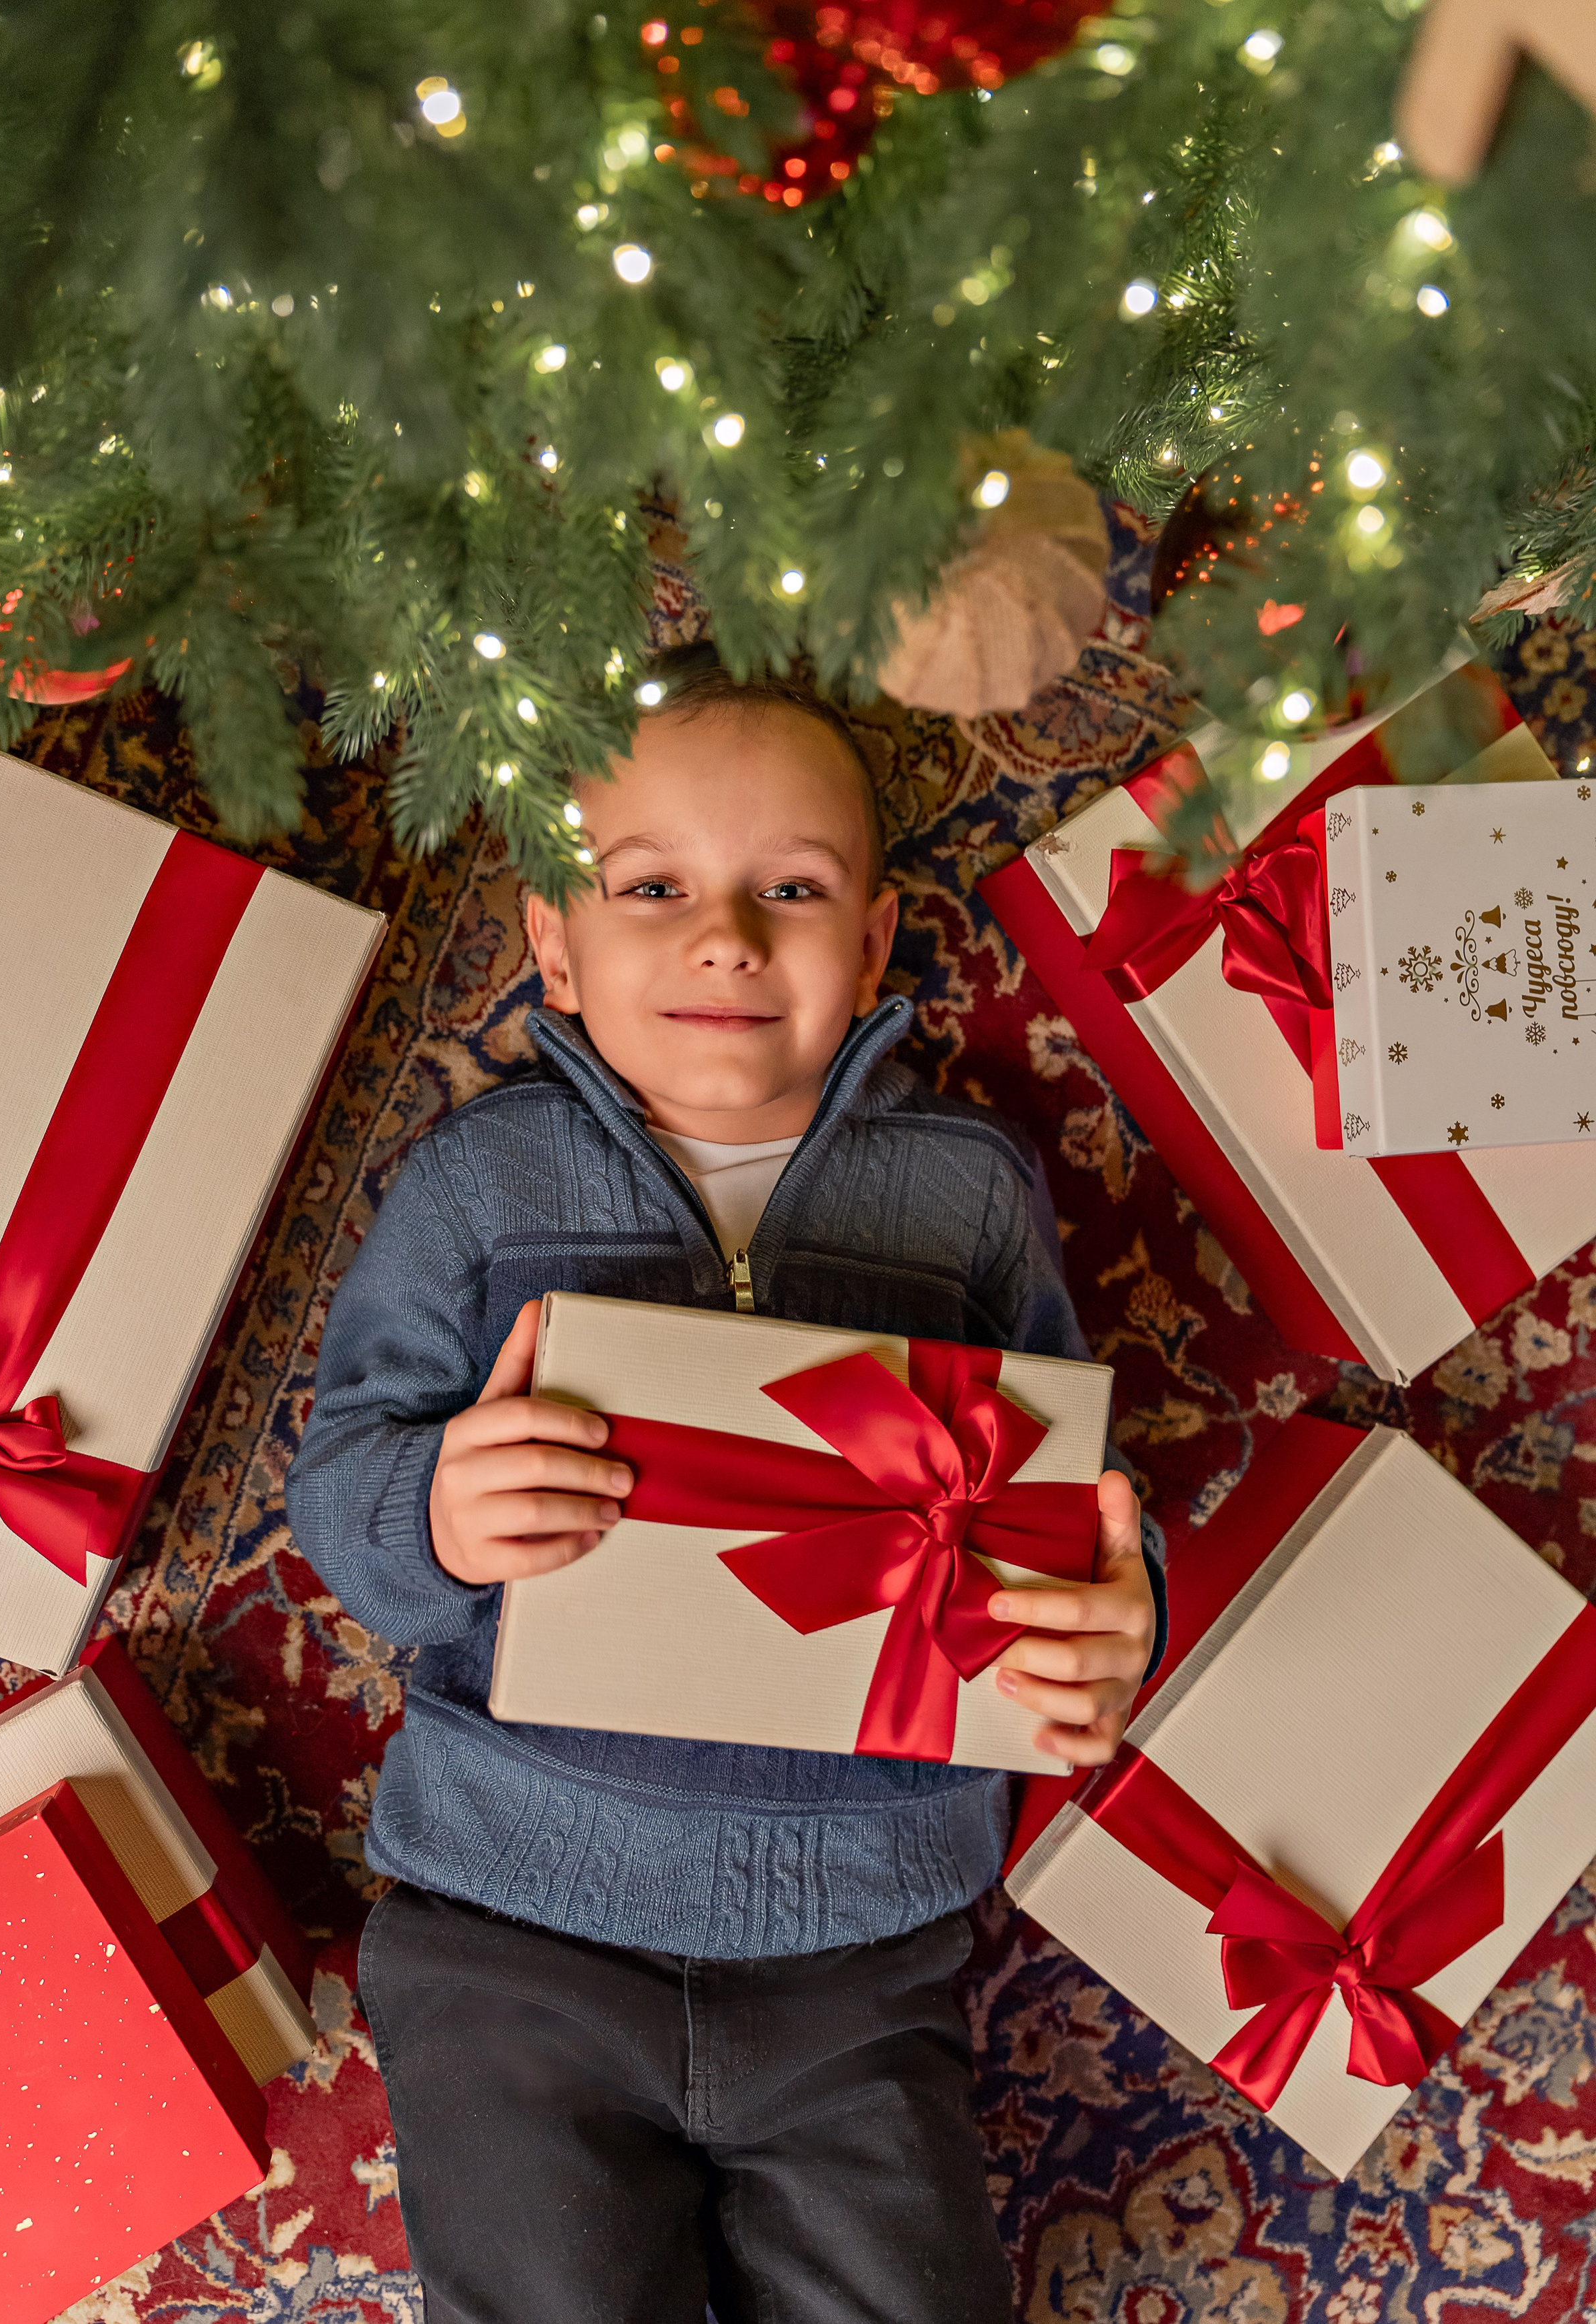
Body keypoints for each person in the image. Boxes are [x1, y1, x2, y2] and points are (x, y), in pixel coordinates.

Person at [285, 658, 1167, 2324]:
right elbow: (340, 1479)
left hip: (862, 1948)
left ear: (877, 937)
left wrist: (1116, 1611)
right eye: (652, 888)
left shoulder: (966, 1195)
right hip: (517, 1923)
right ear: (554, 935)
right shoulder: (476, 1187)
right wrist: (438, 1516)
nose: (724, 938)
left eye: (788, 889)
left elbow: (1075, 1483)